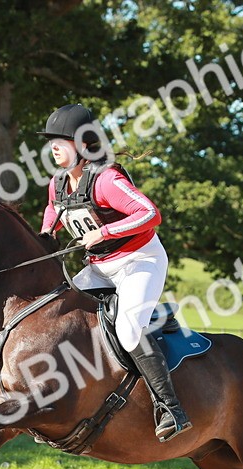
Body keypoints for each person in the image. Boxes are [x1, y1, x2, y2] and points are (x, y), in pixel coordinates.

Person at [37, 103, 192, 442]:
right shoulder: (59, 182)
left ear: (83, 143)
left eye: (60, 140)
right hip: (99, 268)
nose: (54, 147)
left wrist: (104, 233)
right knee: (58, 310)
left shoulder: (106, 178)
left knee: (128, 328)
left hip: (140, 262)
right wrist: (47, 233)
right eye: (51, 141)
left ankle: (170, 408)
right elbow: (54, 209)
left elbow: (150, 213)